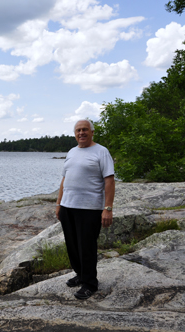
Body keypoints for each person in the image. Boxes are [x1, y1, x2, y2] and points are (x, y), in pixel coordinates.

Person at [55, 119, 115, 300]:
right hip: (68, 206)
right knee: (72, 245)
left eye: (85, 130)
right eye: (78, 130)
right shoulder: (72, 152)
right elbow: (64, 180)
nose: (81, 133)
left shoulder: (101, 152)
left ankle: (90, 283)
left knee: (86, 246)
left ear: (92, 132)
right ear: (75, 134)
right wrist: (59, 204)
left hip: (89, 208)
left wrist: (108, 208)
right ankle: (80, 274)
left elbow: (109, 181)